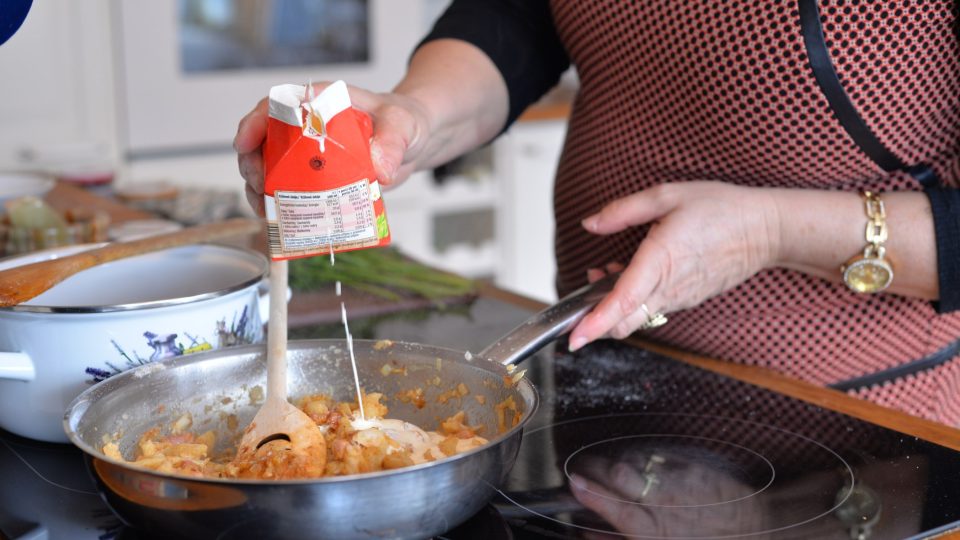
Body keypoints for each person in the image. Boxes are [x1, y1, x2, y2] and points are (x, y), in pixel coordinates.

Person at [235, 1, 960, 427]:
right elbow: (514, 19)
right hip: (606, 374)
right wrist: (416, 116)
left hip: (862, 418)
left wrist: (766, 232)